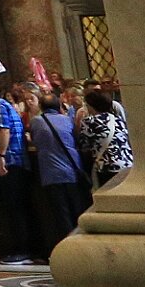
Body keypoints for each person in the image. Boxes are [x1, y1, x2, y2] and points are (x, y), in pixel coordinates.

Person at [29, 91, 89, 256]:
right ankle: (84, 247)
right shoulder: (67, 120)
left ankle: (69, 251)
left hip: (51, 174)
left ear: (41, 107)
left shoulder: (36, 121)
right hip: (72, 171)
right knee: (77, 210)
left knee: (61, 214)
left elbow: (35, 140)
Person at [0, 78, 33, 263]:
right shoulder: (2, 104)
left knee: (15, 207)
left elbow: (3, 130)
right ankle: (23, 247)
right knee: (16, 206)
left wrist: (1, 156)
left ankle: (22, 249)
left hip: (10, 162)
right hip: (14, 161)